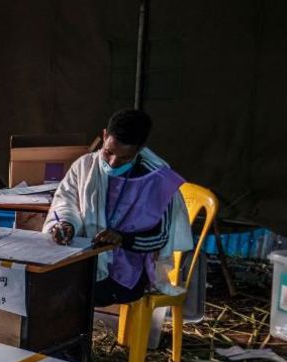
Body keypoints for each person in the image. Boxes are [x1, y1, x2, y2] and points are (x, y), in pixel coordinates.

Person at [44, 109, 191, 306]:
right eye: (108, 152)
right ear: (104, 135)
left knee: (69, 292)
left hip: (128, 271)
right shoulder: (85, 165)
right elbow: (66, 201)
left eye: (123, 158)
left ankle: (75, 334)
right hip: (86, 258)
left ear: (140, 149)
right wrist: (65, 224)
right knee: (47, 280)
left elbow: (160, 239)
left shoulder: (156, 179)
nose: (112, 162)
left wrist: (122, 238)